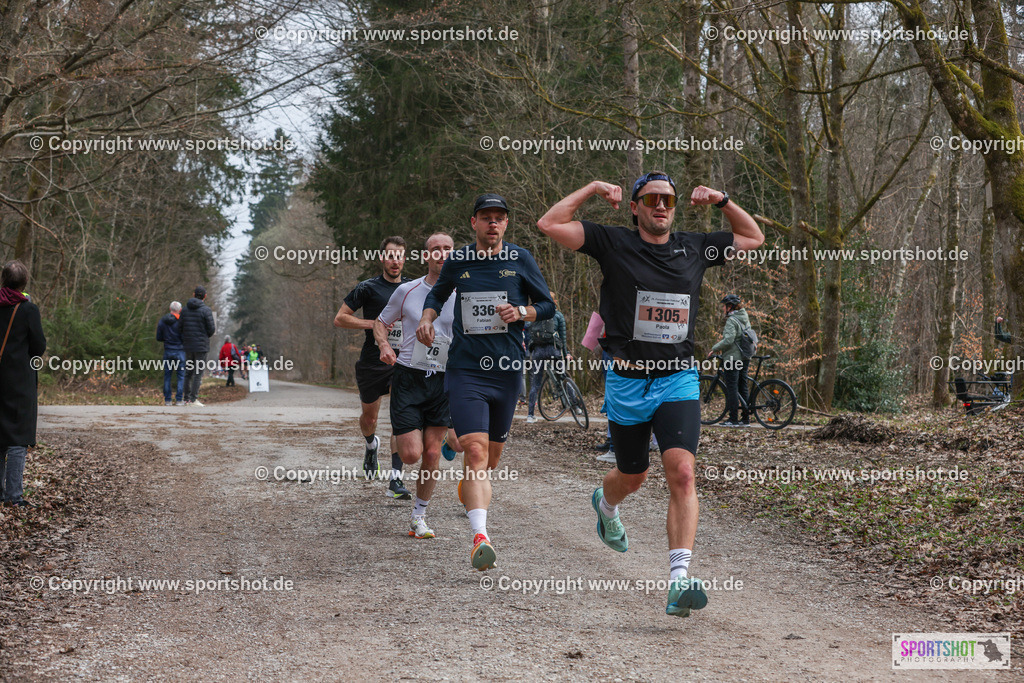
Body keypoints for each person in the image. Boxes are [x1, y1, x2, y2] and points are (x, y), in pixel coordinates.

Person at [537, 174, 763, 617]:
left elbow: (752, 236)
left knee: (682, 473)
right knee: (633, 476)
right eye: (652, 199)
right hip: (626, 382)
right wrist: (591, 190)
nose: (661, 206)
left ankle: (679, 580)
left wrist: (722, 200)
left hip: (677, 378)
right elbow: (549, 223)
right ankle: (605, 504)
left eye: (668, 200)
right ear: (636, 206)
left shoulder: (695, 246)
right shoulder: (611, 241)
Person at [419, 193, 556, 570]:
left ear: (506, 224)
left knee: (490, 459)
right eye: (486, 217)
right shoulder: (459, 260)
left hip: (508, 369)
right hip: (466, 369)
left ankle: (465, 472)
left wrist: (522, 311)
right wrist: (428, 318)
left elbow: (547, 305)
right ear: (474, 223)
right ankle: (480, 537)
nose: (492, 223)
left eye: (499, 218)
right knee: (475, 452)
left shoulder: (520, 259)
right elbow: (437, 293)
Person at [374, 232, 464, 538]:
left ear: (455, 253)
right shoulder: (407, 290)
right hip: (409, 376)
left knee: (431, 453)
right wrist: (385, 346)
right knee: (411, 454)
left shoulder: (465, 292)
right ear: (426, 256)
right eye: (435, 249)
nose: (442, 254)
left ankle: (419, 516)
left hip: (443, 379)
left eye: (448, 249)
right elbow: (380, 323)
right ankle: (406, 429)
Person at [334, 237, 411, 499]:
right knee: (370, 419)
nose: (395, 260)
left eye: (399, 255)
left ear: (404, 259)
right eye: (390, 255)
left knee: (401, 418)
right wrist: (375, 325)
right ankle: (371, 444)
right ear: (382, 258)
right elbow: (340, 318)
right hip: (372, 361)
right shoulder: (367, 288)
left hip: (404, 360)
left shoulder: (413, 288)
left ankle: (396, 479)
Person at [0, 261, 47, 508]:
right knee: (18, 438)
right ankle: (13, 497)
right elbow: (38, 346)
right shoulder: (29, 310)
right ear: (24, 283)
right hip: (19, 380)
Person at [708, 294, 753, 427]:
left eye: (724, 306)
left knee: (732, 388)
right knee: (742, 386)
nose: (723, 309)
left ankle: (733, 419)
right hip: (745, 357)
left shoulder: (732, 320)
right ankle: (745, 419)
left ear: (730, 307)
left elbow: (729, 340)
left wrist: (715, 348)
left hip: (733, 358)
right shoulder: (744, 317)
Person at [525, 292, 568, 423]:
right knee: (564, 377)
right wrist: (566, 354)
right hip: (553, 350)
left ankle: (530, 415)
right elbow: (563, 337)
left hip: (538, 351)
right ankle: (576, 406)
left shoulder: (534, 315)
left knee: (535, 384)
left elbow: (527, 329)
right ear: (554, 302)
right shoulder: (558, 315)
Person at [179, 285, 216, 407]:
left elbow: (179, 328)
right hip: (201, 347)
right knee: (198, 373)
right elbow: (211, 330)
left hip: (188, 346)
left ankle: (186, 399)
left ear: (193, 294)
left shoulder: (184, 310)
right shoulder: (206, 310)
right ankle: (194, 399)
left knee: (188, 372)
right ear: (205, 296)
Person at [156, 301, 185, 405]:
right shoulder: (182, 321)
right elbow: (185, 337)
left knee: (167, 375)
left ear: (170, 308)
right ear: (180, 310)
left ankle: (167, 400)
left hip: (168, 350)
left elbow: (158, 337)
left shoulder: (163, 321)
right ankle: (178, 400)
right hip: (180, 351)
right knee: (181, 376)